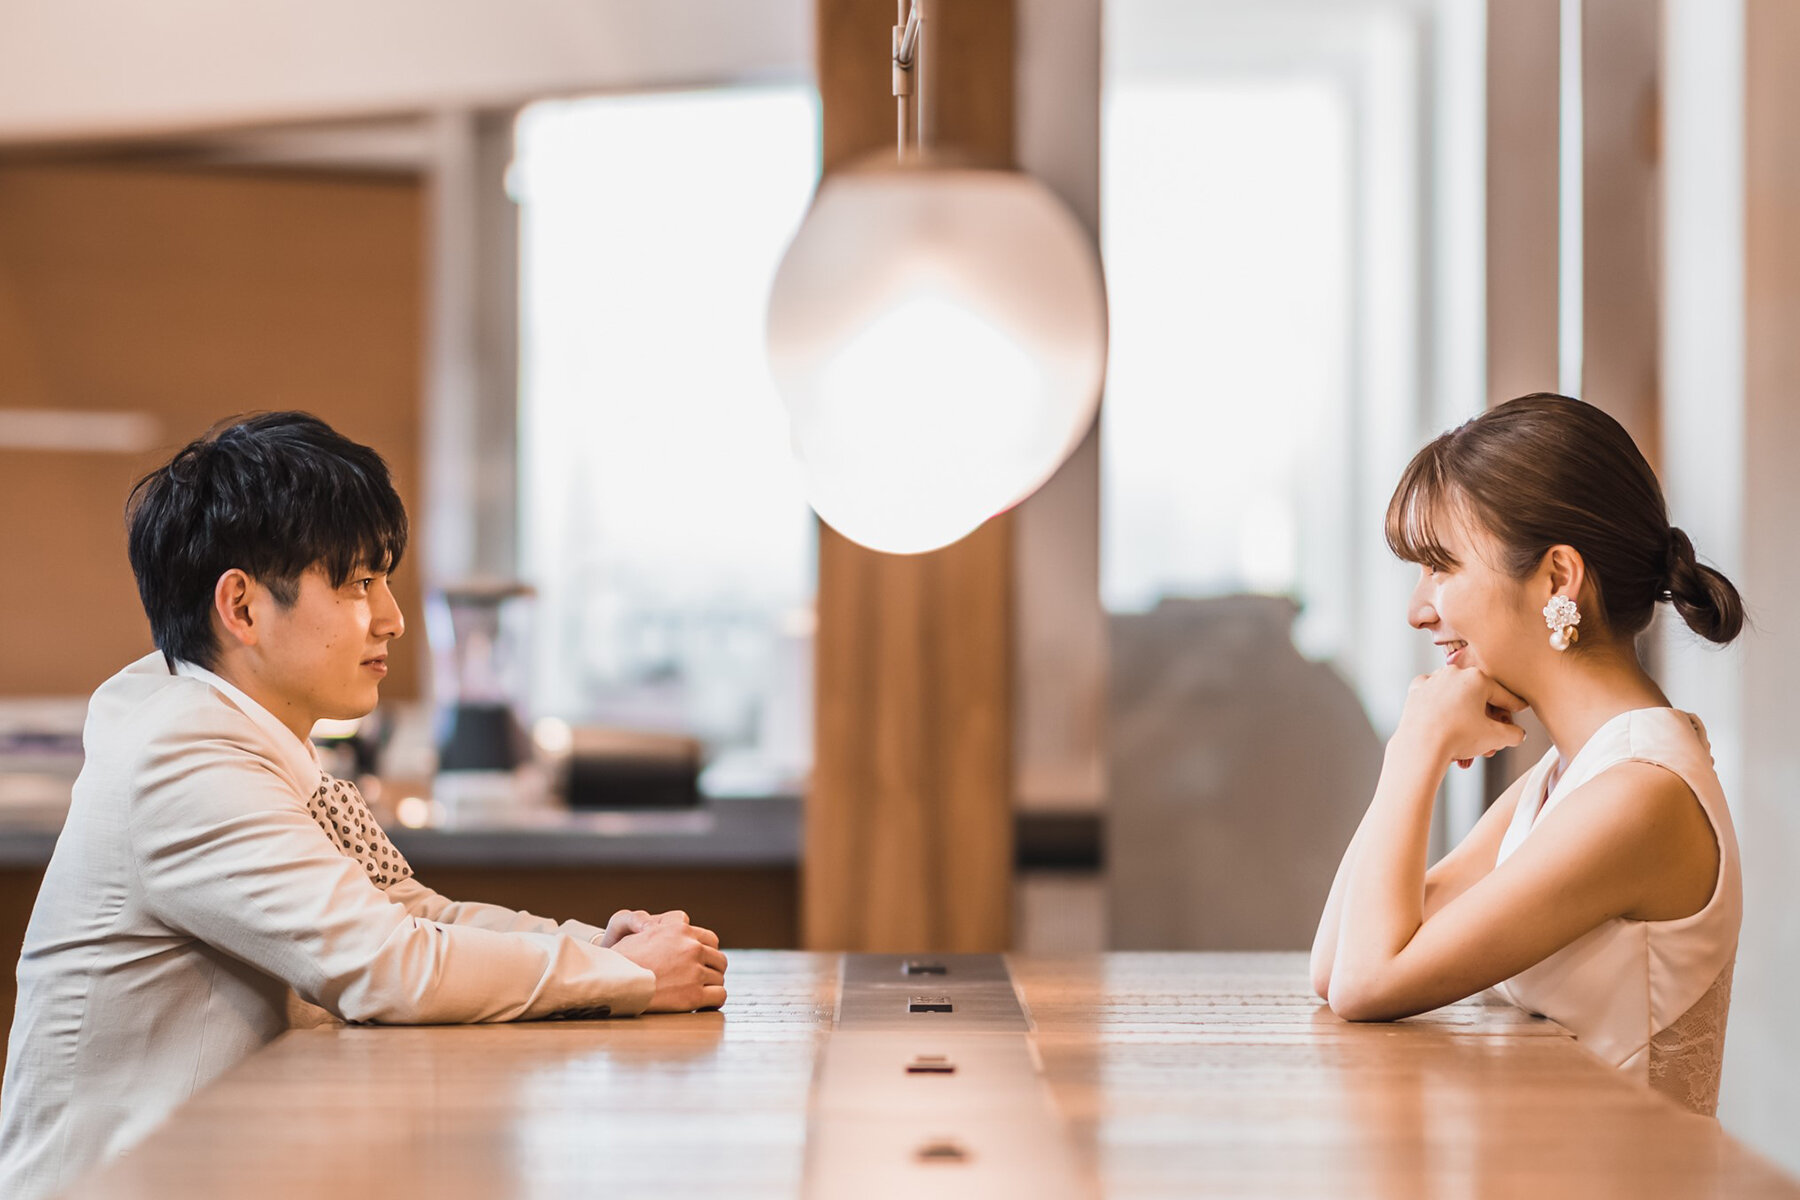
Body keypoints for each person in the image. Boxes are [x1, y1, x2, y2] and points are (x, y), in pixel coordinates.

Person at [0, 412, 729, 1198]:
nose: (392, 618)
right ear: (241, 608)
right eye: (356, 584)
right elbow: (386, 967)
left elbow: (411, 914)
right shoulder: (184, 759)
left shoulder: (240, 738)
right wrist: (622, 977)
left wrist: (600, 944)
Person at [1310, 393, 1743, 1117]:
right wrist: (1409, 748)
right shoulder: (1569, 778)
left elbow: (1365, 983)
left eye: (1440, 567)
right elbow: (1336, 965)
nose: (1418, 609)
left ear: (1556, 580)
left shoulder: (1641, 792)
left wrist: (1416, 749)